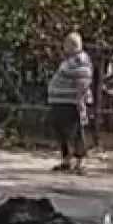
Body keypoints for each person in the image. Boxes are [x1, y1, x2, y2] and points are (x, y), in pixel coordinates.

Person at [46, 32, 94, 175]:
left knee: (75, 132)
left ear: (73, 45)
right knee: (61, 131)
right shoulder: (71, 60)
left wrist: (81, 102)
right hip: (62, 101)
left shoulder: (81, 60)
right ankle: (67, 160)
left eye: (66, 44)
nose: (64, 46)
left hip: (71, 102)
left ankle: (79, 163)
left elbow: (83, 82)